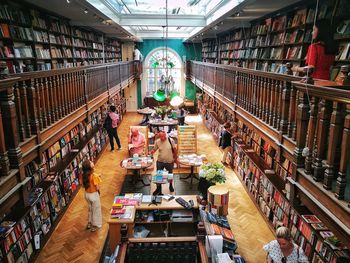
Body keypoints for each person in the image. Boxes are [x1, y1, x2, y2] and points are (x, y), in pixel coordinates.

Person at [150, 131, 176, 195]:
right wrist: (151, 152)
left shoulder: (171, 140)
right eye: (160, 136)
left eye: (163, 136)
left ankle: (170, 185)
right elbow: (155, 149)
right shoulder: (157, 141)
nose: (162, 138)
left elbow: (175, 149)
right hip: (160, 161)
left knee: (170, 175)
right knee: (159, 176)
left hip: (169, 161)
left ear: (165, 135)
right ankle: (158, 189)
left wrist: (175, 158)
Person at [82, 159, 102, 232]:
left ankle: (89, 223)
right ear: (89, 167)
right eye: (90, 162)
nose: (92, 162)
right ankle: (95, 225)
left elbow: (84, 185)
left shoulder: (83, 175)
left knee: (90, 209)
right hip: (94, 195)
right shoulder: (94, 176)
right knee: (96, 210)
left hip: (87, 194)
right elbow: (97, 187)